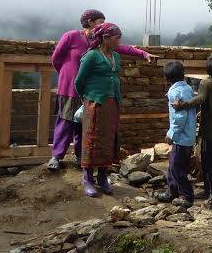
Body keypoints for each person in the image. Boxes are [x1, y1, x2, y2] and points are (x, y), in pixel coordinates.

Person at [49, 9, 152, 171]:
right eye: (100, 21)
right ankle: (56, 156)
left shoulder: (99, 41)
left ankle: (79, 155)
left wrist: (143, 53)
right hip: (69, 87)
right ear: (90, 22)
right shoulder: (71, 36)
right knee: (66, 121)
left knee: (84, 123)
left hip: (90, 91)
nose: (103, 25)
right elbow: (56, 59)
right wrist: (65, 74)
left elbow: (122, 47)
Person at [73, 23, 127, 198]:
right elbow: (79, 82)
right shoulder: (91, 56)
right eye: (116, 37)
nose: (119, 41)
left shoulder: (116, 56)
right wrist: (88, 99)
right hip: (96, 103)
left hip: (113, 104)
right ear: (105, 38)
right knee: (92, 137)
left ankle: (103, 177)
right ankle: (87, 178)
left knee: (109, 139)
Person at [172, 54, 212, 209]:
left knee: (208, 164)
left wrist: (182, 105)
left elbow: (200, 99)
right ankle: (209, 191)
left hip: (209, 132)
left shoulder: (206, 83)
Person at [157, 61, 197, 208]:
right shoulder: (187, 88)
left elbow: (179, 117)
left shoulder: (175, 93)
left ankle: (188, 196)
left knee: (176, 168)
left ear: (166, 79)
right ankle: (172, 191)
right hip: (188, 136)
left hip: (181, 137)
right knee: (175, 165)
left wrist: (171, 133)